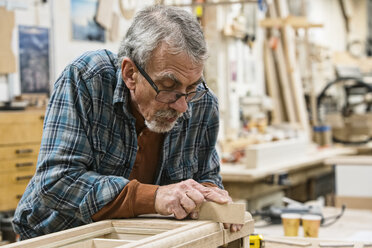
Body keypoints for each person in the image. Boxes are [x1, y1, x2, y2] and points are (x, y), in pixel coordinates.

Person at [13, 5, 242, 240]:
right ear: (130, 73)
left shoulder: (202, 104)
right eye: (168, 87)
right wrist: (155, 197)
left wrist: (211, 195)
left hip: (139, 239)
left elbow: (207, 175)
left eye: (191, 88)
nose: (183, 106)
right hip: (58, 237)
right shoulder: (87, 79)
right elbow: (56, 181)